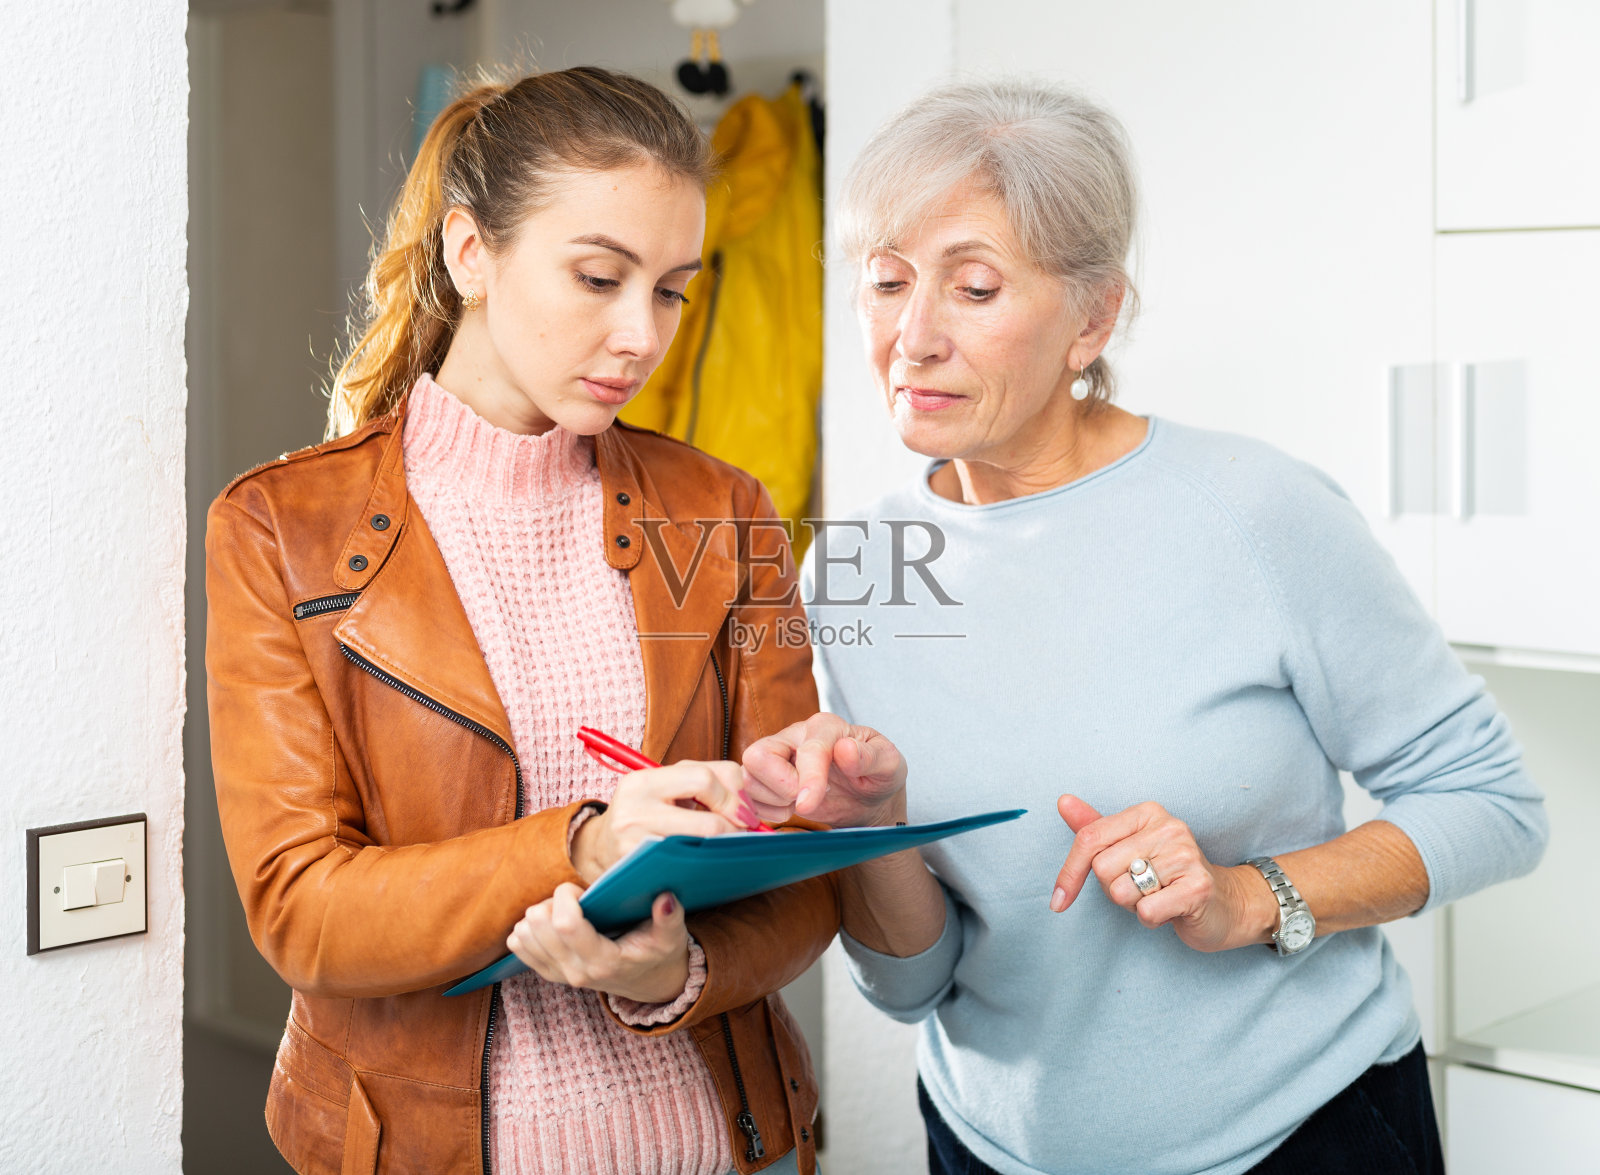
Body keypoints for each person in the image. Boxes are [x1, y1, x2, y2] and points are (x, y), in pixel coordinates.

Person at [741, 80, 1548, 1175]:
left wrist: (1246, 896)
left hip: (1303, 1139)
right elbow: (913, 985)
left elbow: (1492, 804)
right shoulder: (851, 570)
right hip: (985, 1147)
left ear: (1092, 319)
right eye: (886, 283)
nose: (911, 337)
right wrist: (869, 824)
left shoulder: (1255, 511)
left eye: (973, 288)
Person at [206, 66, 831, 1175]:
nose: (641, 335)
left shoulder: (726, 510)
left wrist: (675, 973)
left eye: (672, 291)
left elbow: (802, 874)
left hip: (712, 1145)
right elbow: (301, 909)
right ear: (470, 252)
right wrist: (579, 844)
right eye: (598, 277)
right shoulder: (279, 527)